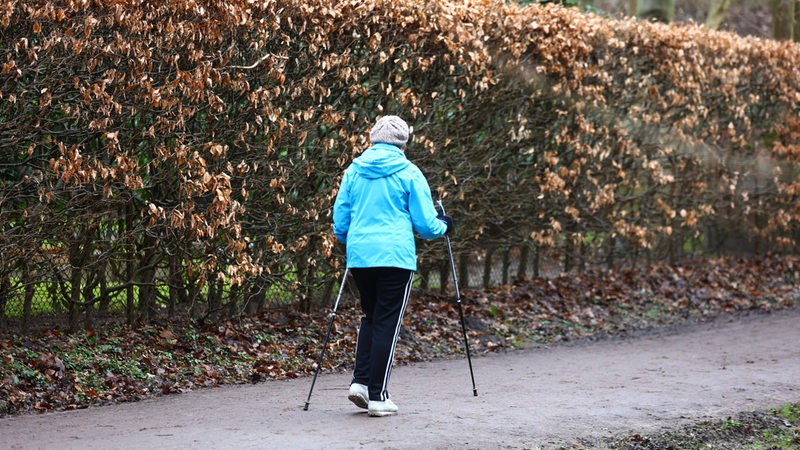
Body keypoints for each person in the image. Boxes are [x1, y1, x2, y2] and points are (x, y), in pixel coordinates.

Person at [332, 115, 453, 417]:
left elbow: (341, 221)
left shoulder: (353, 171)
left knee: (371, 317)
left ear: (372, 138)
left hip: (361, 257)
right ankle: (378, 396)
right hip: (395, 258)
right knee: (388, 321)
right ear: (403, 142)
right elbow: (426, 225)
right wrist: (445, 226)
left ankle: (360, 383)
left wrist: (354, 239)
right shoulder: (409, 172)